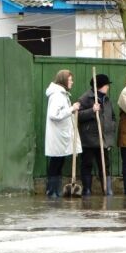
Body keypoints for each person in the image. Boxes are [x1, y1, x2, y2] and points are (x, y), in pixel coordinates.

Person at [77, 73, 117, 196]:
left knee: (105, 166)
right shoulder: (85, 98)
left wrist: (111, 127)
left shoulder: (106, 100)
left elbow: (113, 117)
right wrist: (92, 110)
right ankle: (87, 190)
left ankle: (107, 190)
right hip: (89, 140)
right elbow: (77, 115)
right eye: (106, 85)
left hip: (103, 139)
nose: (108, 87)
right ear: (100, 86)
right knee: (87, 165)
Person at [44, 69, 81, 197]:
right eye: (70, 80)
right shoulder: (57, 95)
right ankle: (52, 192)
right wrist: (72, 109)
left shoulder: (62, 94)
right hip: (57, 137)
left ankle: (55, 192)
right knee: (55, 164)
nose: (72, 82)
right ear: (64, 81)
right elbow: (53, 115)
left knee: (58, 164)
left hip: (61, 136)